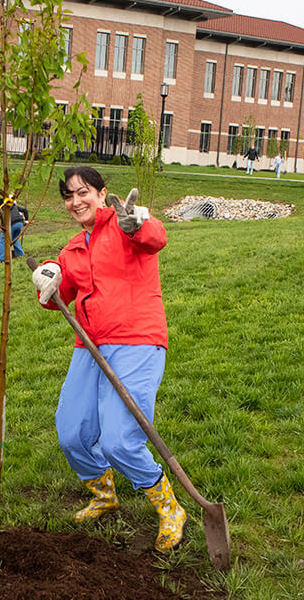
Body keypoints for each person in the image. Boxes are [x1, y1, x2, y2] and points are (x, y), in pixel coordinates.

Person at [29, 166, 186, 553]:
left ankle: (169, 506)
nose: (75, 201)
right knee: (72, 432)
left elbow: (155, 238)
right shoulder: (72, 248)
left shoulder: (125, 225)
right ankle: (103, 494)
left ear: (102, 194)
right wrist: (47, 284)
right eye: (68, 196)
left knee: (119, 440)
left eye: (83, 192)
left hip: (136, 340)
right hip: (91, 345)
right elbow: (59, 296)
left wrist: (137, 223)